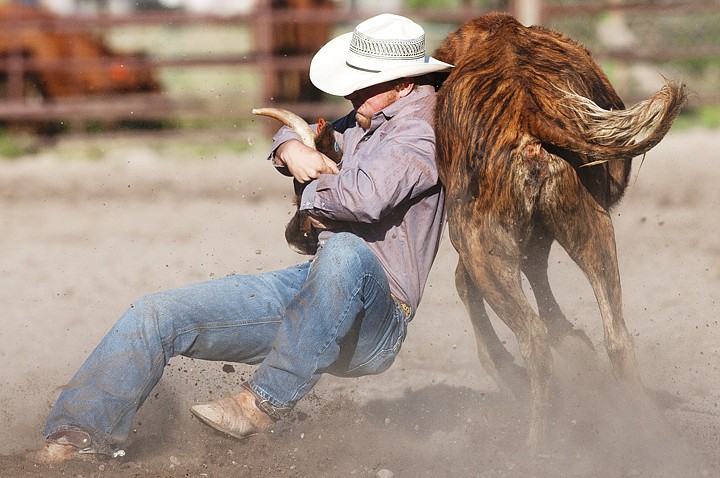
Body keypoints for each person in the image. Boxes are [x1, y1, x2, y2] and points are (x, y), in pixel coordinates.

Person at [29, 13, 453, 463]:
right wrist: (290, 148)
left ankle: (262, 402)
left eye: (363, 82)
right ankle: (78, 433)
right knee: (157, 313)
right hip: (319, 290)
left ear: (404, 83)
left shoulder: (420, 134)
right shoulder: (368, 118)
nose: (350, 91)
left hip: (376, 318)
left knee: (347, 251)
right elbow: (306, 132)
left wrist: (310, 185)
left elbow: (364, 199)